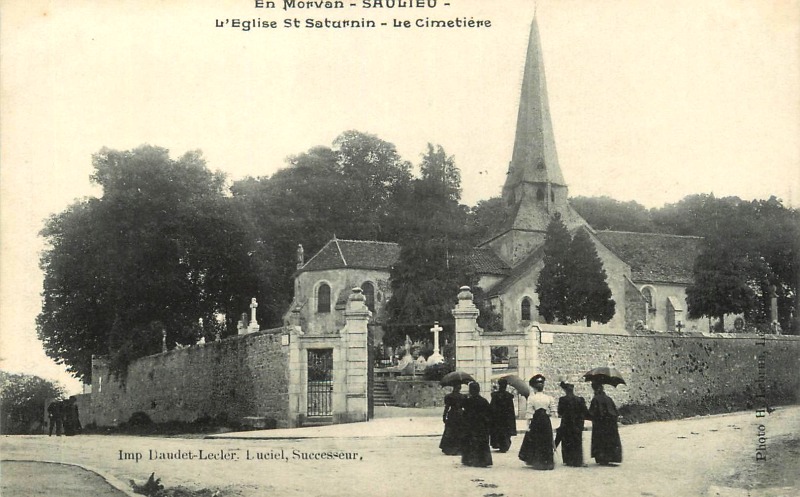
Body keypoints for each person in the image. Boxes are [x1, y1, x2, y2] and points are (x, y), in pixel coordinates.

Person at [518, 374, 555, 470]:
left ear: (534, 388)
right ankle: (547, 462)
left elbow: (529, 413)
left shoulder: (532, 398)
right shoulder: (549, 398)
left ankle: (538, 461)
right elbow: (553, 411)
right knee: (546, 440)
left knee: (537, 440)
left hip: (536, 421)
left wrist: (528, 425)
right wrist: (547, 414)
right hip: (546, 421)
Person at [587, 380, 622, 465]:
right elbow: (615, 412)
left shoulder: (595, 399)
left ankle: (602, 458)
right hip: (610, 424)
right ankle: (610, 457)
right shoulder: (608, 398)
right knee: (609, 440)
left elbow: (592, 413)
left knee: (601, 440)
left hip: (600, 424)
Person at [557, 380, 588, 467]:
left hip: (566, 423)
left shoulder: (562, 400)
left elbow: (560, 412)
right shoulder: (580, 400)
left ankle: (568, 460)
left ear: (565, 391)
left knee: (566, 441)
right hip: (577, 424)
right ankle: (577, 460)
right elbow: (584, 412)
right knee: (577, 441)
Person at [461, 382, 493, 467]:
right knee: (481, 442)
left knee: (470, 441)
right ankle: (482, 460)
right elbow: (489, 413)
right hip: (481, 425)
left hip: (470, 424)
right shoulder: (484, 401)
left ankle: (469, 459)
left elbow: (464, 412)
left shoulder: (468, 401)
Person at [489, 379, 517, 453]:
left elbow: (492, 407)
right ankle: (504, 445)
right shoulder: (508, 396)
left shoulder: (495, 395)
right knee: (505, 432)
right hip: (506, 418)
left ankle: (499, 444)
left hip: (497, 417)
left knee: (498, 431)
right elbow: (511, 410)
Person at [439, 383, 465, 455]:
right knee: (459, 431)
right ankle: (458, 448)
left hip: (452, 414)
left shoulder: (449, 396)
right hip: (460, 414)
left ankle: (449, 448)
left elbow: (447, 407)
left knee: (450, 431)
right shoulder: (462, 397)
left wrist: (444, 416)